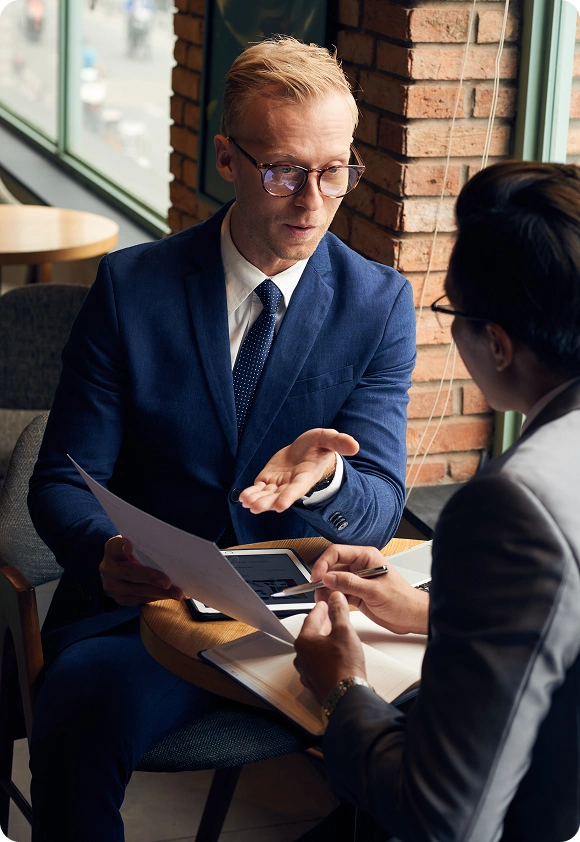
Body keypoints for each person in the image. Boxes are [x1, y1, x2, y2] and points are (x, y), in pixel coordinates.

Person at [27, 37, 416, 840]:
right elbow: (62, 481)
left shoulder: (379, 304)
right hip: (145, 618)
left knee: (431, 739)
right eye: (283, 170)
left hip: (295, 619)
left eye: (334, 171)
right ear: (227, 158)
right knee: (79, 706)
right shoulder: (131, 288)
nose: (311, 202)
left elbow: (379, 506)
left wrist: (331, 484)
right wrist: (108, 553)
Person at [294, 160, 580, 842]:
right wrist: (431, 611)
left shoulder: (514, 504)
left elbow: (444, 819)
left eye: (451, 312)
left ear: (500, 344)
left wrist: (342, 690)